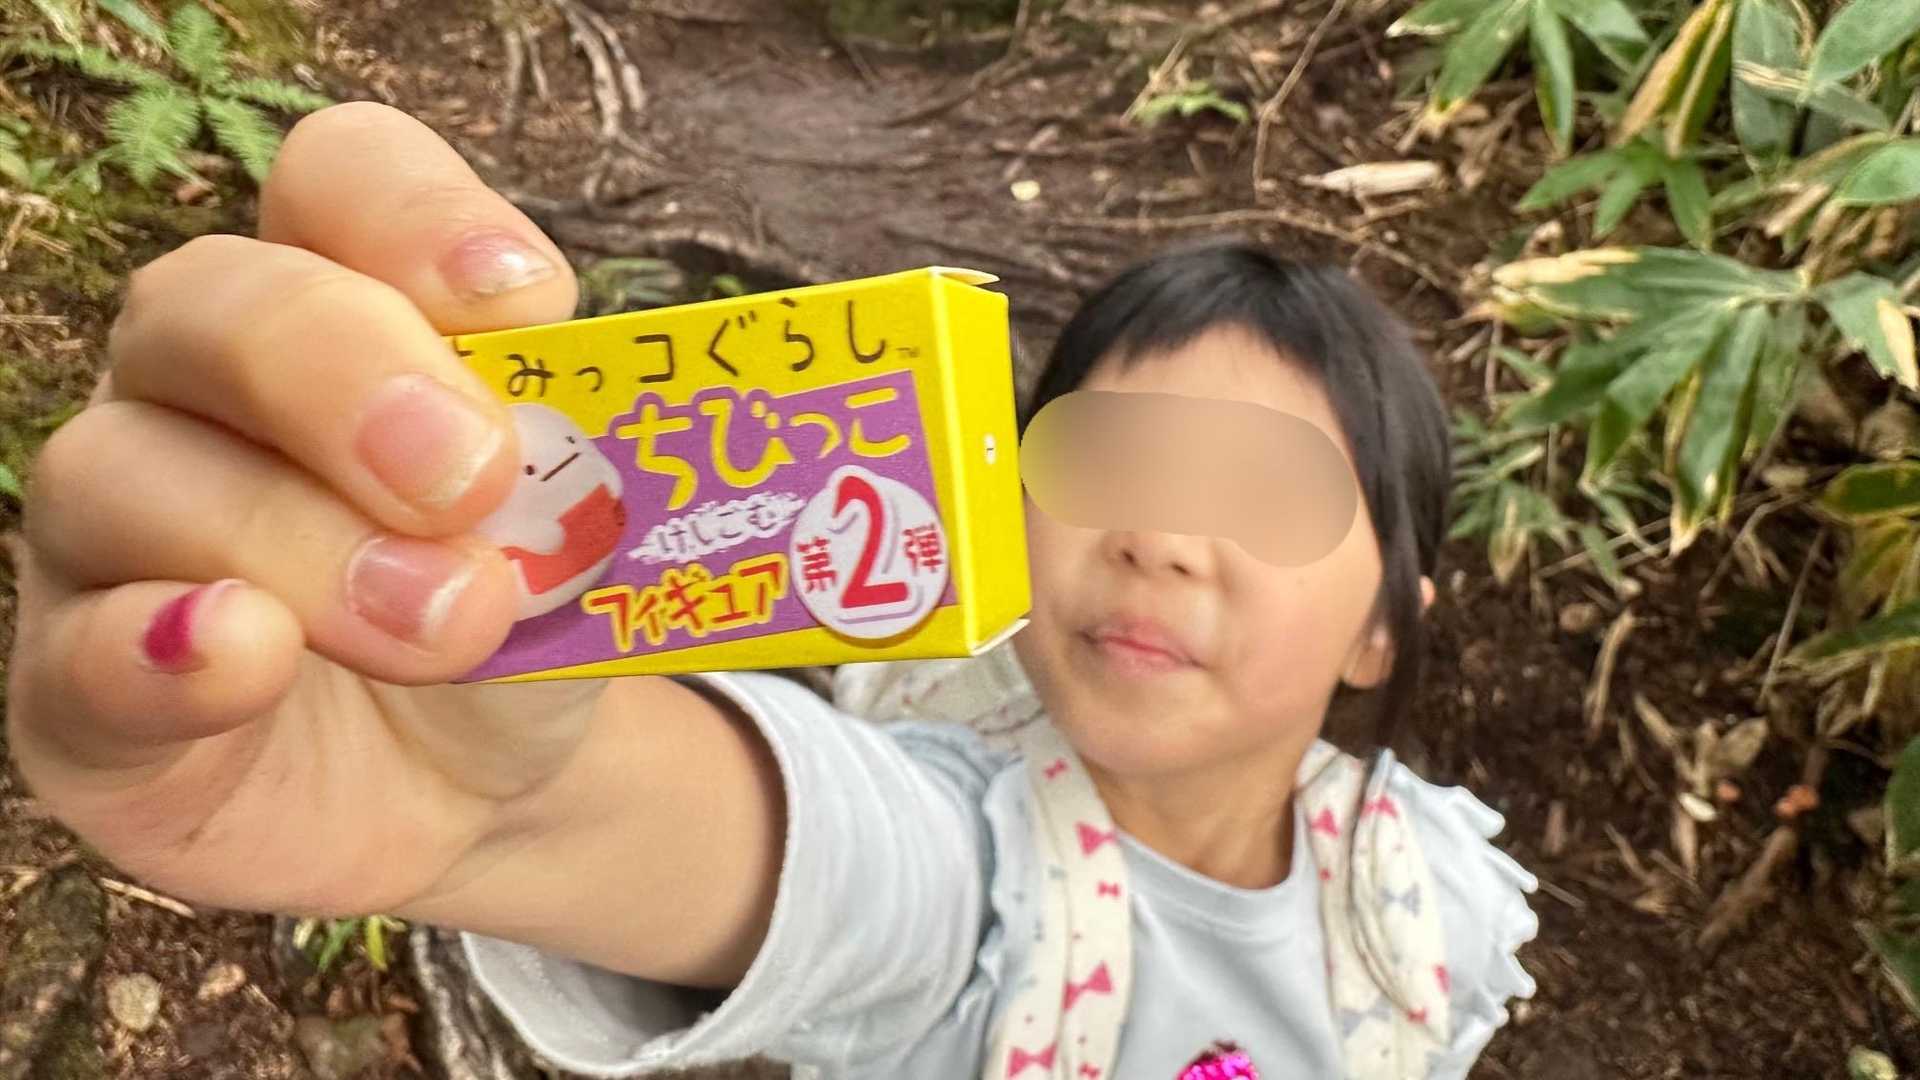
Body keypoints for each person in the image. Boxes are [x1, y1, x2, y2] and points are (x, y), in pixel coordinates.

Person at [3, 102, 1536, 1080]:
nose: (1159, 538)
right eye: (1105, 461)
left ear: (1384, 626)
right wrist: (499, 797)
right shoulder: (974, 886)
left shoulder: (1439, 906)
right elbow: (797, 850)